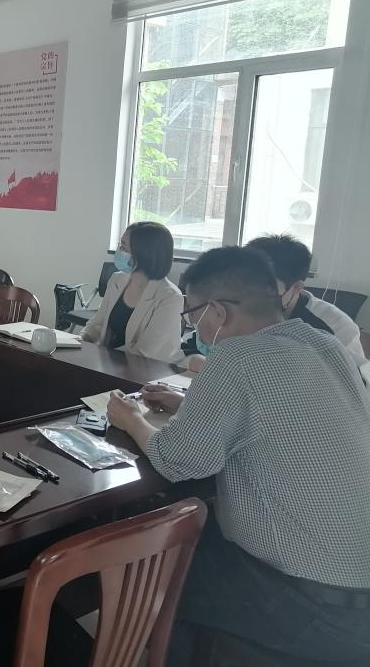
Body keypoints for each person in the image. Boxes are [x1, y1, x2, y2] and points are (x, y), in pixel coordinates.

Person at [107, 246, 370, 665]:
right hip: (357, 592)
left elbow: (177, 460)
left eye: (192, 315)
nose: (192, 327)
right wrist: (188, 405)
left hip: (309, 604)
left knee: (163, 562)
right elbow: (279, 416)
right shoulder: (325, 345)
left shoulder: (237, 356)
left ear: (217, 311)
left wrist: (132, 418)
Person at [246, 234, 368, 378]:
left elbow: (359, 382)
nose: (251, 296)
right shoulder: (234, 308)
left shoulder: (335, 325)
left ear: (297, 287)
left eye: (265, 289)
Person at [80, 222, 183, 360]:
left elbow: (144, 351)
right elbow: (98, 324)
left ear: (143, 253)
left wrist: (105, 357)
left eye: (123, 247)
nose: (118, 251)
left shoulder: (170, 298)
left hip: (146, 369)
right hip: (109, 363)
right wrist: (80, 340)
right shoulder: (117, 279)